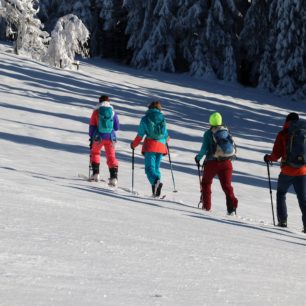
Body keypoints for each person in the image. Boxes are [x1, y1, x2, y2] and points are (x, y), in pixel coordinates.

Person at [264, 112, 306, 232]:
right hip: (303, 171)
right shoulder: (304, 133)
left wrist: (268, 158)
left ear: (287, 121)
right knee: (303, 199)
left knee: (281, 194)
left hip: (287, 171)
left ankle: (282, 221)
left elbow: (276, 155)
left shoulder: (283, 134)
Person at [195, 112, 238, 215]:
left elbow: (204, 149)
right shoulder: (226, 132)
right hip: (227, 163)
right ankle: (232, 208)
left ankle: (206, 207)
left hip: (211, 163)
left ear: (210, 122)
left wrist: (198, 158)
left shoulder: (208, 133)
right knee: (227, 186)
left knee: (206, 183)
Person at [131, 101, 169, 197]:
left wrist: (133, 145)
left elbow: (140, 135)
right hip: (161, 146)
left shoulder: (145, 118)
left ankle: (156, 182)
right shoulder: (162, 118)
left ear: (149, 108)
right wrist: (165, 141)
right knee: (156, 168)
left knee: (149, 169)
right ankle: (155, 192)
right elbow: (166, 135)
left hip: (151, 146)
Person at [89, 95, 119, 186]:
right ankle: (113, 177)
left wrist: (91, 137)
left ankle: (96, 174)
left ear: (99, 102)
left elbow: (92, 126)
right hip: (110, 137)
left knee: (95, 153)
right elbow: (117, 127)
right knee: (111, 156)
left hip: (98, 137)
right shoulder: (113, 112)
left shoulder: (96, 112)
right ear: (108, 102)